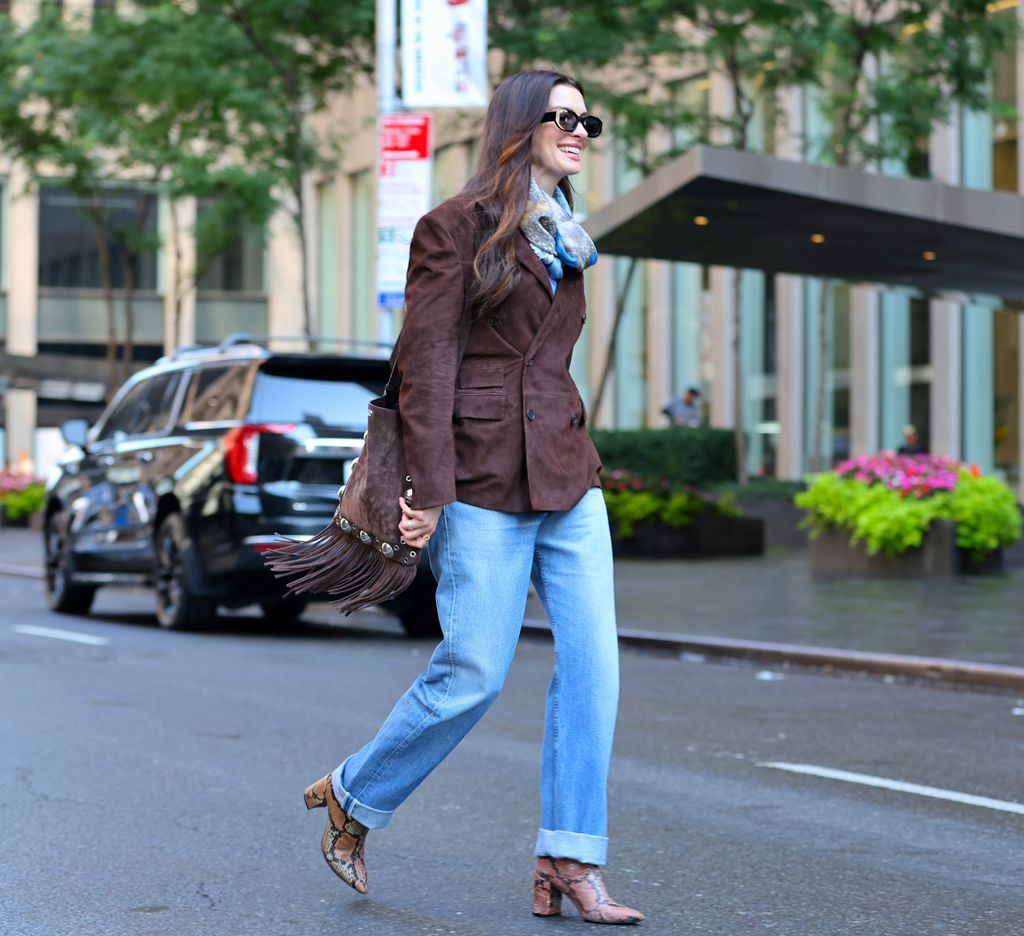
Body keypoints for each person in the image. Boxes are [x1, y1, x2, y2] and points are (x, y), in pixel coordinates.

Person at [302, 70, 644, 925]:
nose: (578, 132)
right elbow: (426, 368)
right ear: (521, 125)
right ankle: (355, 793)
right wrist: (428, 489)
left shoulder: (566, 236)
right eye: (562, 118)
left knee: (596, 668)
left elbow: (548, 362)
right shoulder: (454, 229)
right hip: (483, 474)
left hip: (567, 471)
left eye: (586, 121)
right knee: (474, 672)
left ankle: (570, 858)